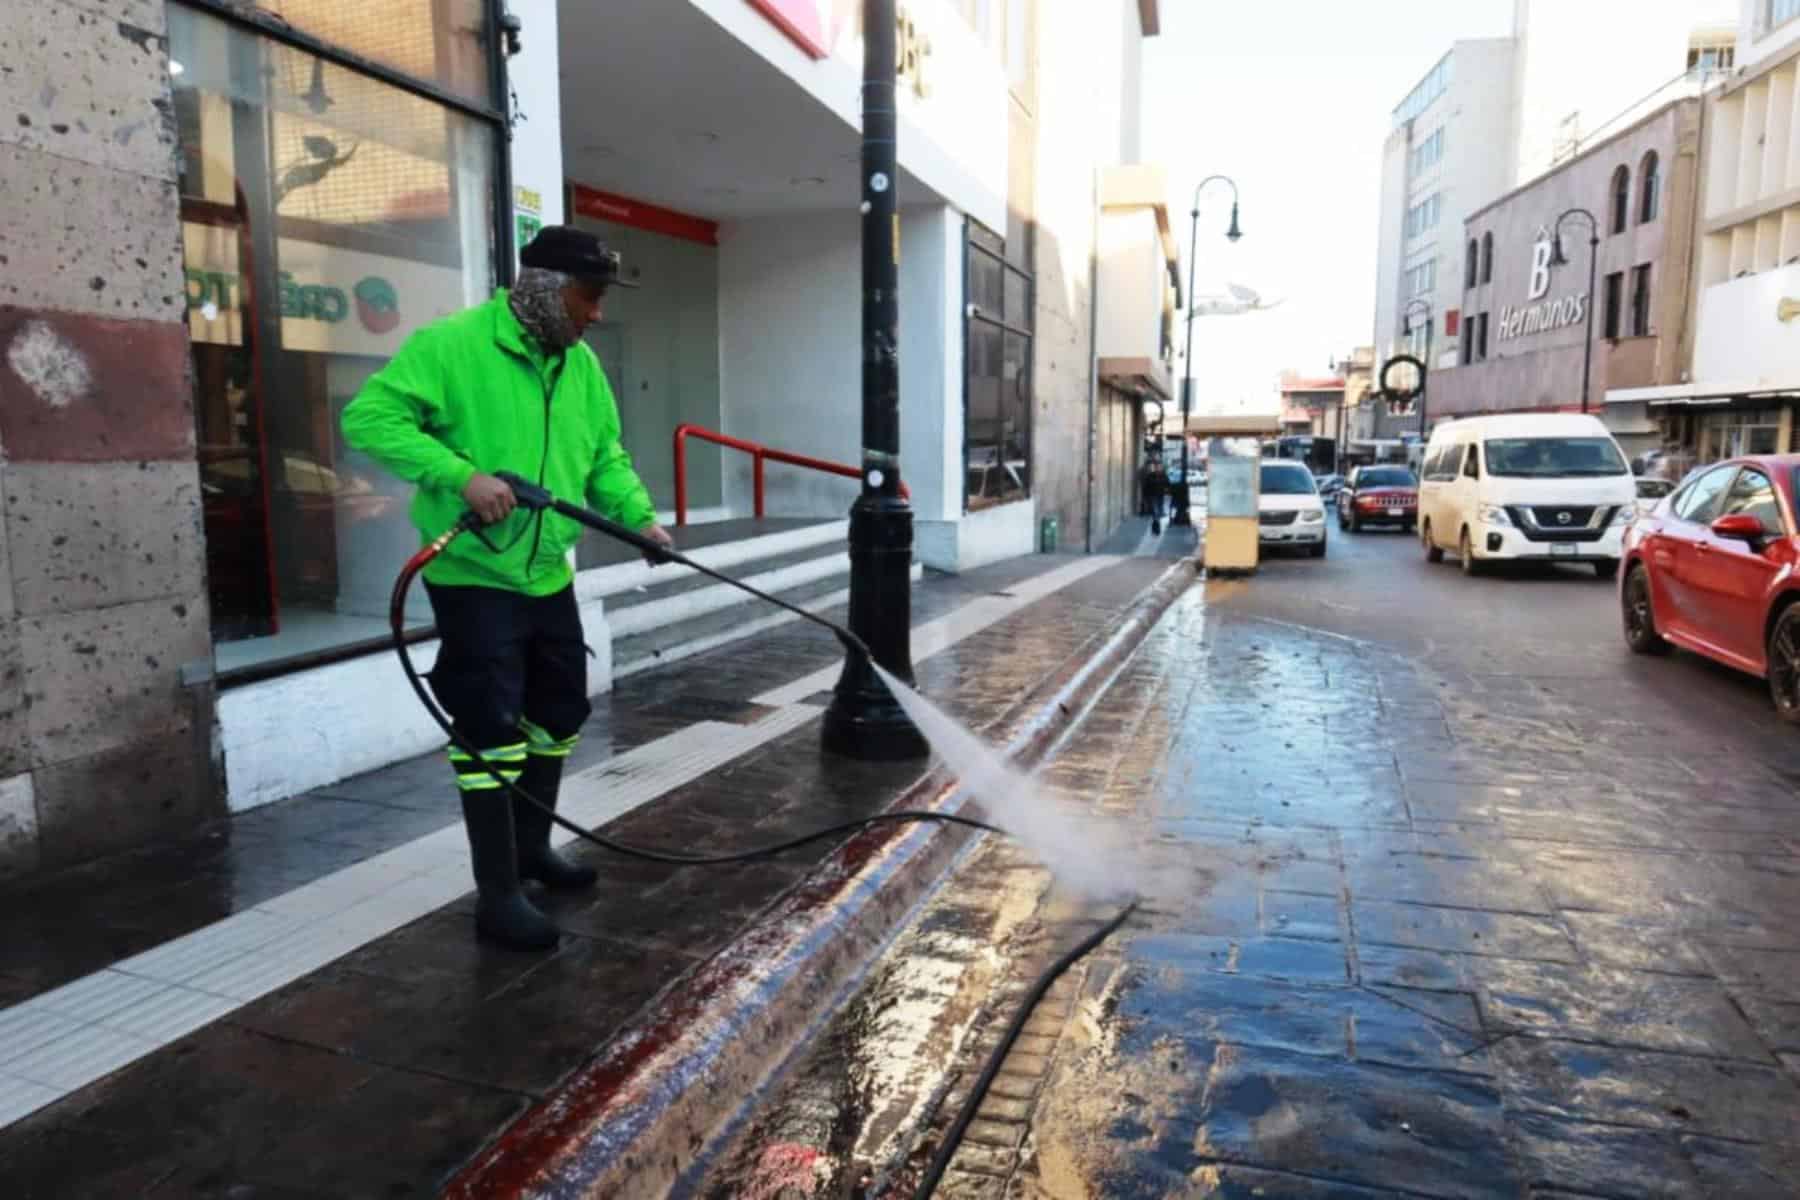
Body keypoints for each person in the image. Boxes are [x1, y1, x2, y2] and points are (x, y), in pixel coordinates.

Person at [342, 226, 674, 951]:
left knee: (558, 708)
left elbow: (605, 457)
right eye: (588, 297)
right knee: (488, 725)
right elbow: (368, 417)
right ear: (545, 291)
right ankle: (497, 895)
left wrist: (640, 520)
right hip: (475, 576)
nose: (595, 313)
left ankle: (532, 851)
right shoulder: (453, 346)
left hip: (547, 572)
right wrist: (461, 475)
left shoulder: (581, 367)